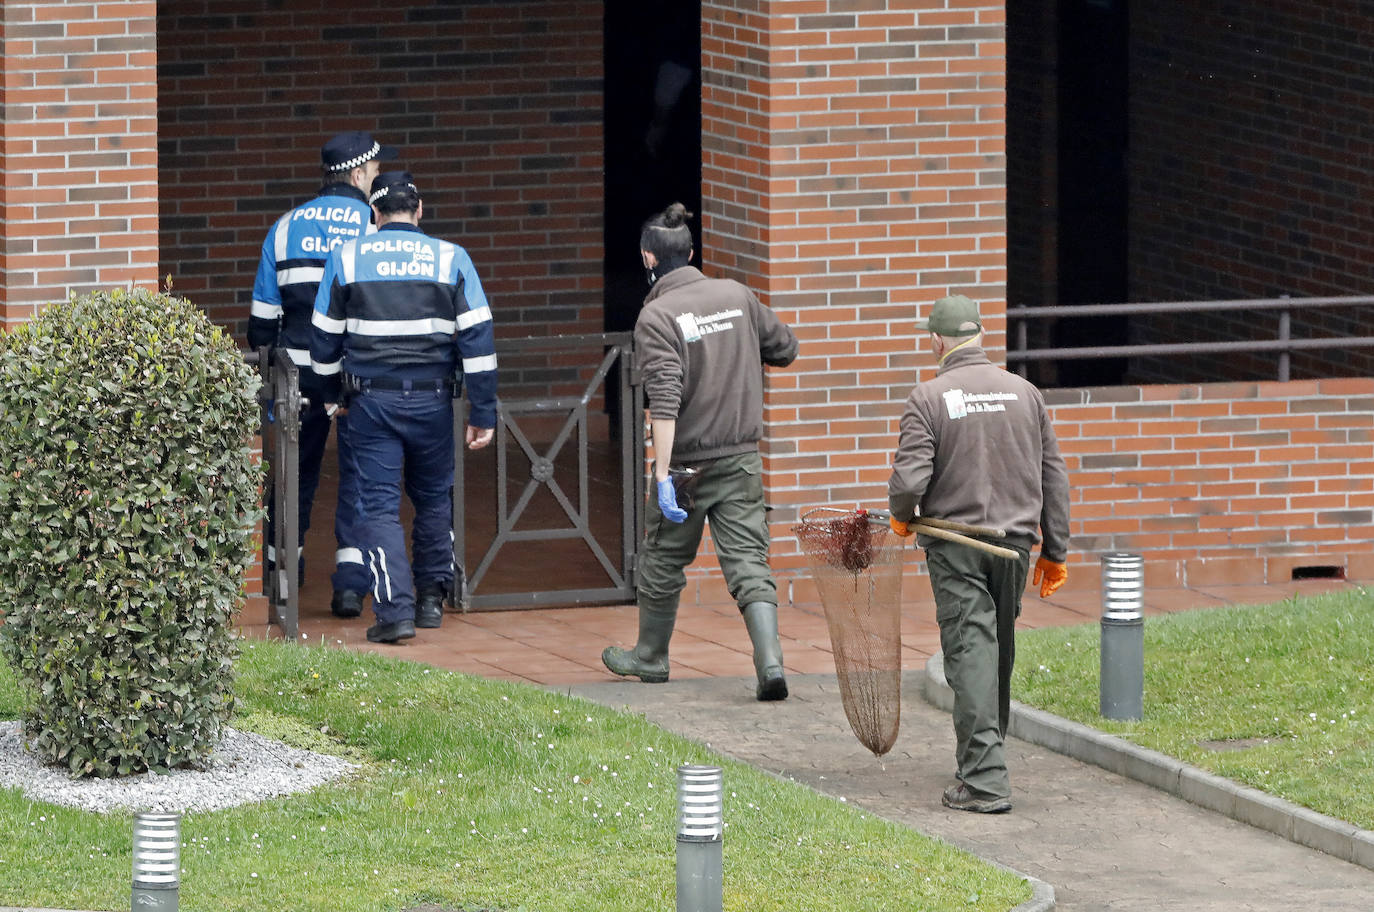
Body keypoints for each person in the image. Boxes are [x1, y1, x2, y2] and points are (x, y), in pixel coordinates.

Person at [602, 202, 800, 700]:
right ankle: (770, 663)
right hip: (740, 458)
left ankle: (649, 657)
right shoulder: (737, 295)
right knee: (749, 561)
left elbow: (663, 402)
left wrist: (663, 473)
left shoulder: (656, 315)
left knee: (664, 559)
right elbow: (786, 348)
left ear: (649, 259)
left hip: (687, 464)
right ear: (691, 253)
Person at [886, 293, 1071, 813]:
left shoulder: (929, 397)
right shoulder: (1025, 393)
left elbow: (909, 480)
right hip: (1013, 548)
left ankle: (986, 781)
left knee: (970, 653)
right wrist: (1055, 550)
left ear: (937, 341)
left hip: (955, 544)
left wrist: (901, 511)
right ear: (980, 337)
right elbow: (1053, 475)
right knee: (996, 653)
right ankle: (983, 758)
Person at [310, 171, 497, 644]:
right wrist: (483, 412)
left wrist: (331, 398)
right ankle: (432, 600)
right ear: (420, 209)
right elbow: (478, 339)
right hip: (434, 400)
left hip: (371, 402)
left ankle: (395, 614)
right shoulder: (452, 258)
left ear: (373, 214)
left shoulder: (347, 258)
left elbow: (323, 340)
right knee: (434, 498)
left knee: (378, 507)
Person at [250, 130, 398, 619]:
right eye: (374, 173)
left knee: (294, 476)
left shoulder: (286, 227)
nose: (376, 181)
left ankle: (283, 581)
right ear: (358, 174)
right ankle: (351, 587)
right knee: (360, 478)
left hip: (298, 378)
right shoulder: (375, 227)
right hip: (359, 376)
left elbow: (260, 325)